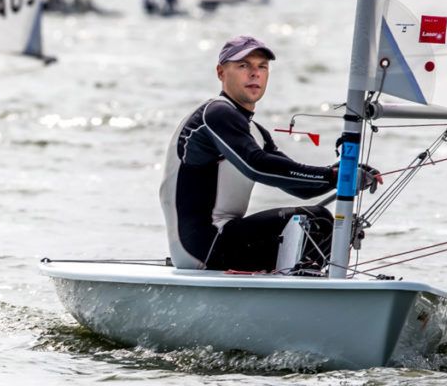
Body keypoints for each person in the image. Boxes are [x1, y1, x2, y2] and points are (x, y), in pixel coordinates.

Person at [159, 35, 381, 272]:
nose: (254, 73)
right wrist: (335, 177)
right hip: (202, 246)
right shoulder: (216, 114)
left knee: (335, 227)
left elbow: (301, 187)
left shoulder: (254, 132)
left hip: (223, 240)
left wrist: (342, 172)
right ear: (221, 73)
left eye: (261, 67)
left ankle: (305, 286)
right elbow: (256, 166)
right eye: (243, 66)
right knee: (318, 221)